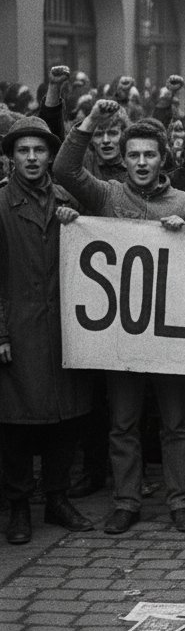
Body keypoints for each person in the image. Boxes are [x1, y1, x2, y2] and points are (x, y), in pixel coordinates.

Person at [54, 102, 185, 535]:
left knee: (177, 423)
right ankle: (126, 501)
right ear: (123, 158)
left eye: (150, 155)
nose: (141, 163)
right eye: (134, 155)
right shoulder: (107, 195)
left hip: (171, 330)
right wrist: (88, 123)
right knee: (123, 423)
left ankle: (180, 502)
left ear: (164, 158)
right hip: (121, 330)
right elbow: (65, 171)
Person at [0, 117, 95, 545]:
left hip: (64, 325)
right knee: (17, 422)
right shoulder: (2, 205)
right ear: (11, 158)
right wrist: (0, 331)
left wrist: (78, 222)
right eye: (24, 151)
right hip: (17, 329)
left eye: (40, 151)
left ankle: (57, 498)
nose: (33, 158)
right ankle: (20, 506)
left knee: (66, 419)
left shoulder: (66, 198)